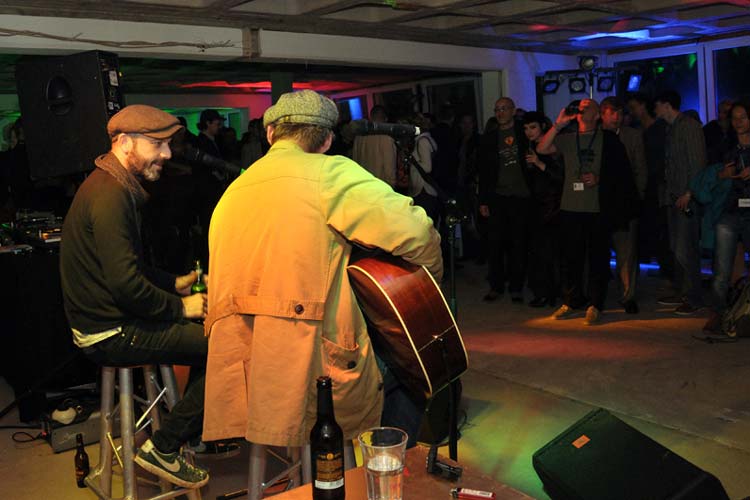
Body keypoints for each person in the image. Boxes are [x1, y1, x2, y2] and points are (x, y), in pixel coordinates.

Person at [203, 90, 442, 448]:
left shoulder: (234, 188)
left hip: (251, 371)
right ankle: (383, 473)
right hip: (313, 370)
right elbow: (418, 231)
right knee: (418, 369)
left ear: (271, 135)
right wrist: (425, 287)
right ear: (328, 139)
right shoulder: (329, 173)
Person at [59, 104, 209, 489]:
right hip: (110, 333)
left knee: (211, 339)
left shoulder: (110, 184)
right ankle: (166, 445)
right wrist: (181, 307)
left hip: (105, 322)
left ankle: (187, 431)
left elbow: (131, 267)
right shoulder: (111, 196)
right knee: (226, 344)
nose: (168, 154)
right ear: (125, 143)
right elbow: (126, 287)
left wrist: (173, 282)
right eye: (158, 144)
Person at [537, 99, 639, 325]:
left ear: (597, 115)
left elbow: (623, 174)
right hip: (570, 207)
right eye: (579, 107)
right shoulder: (567, 138)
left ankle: (595, 304)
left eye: (587, 107)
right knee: (571, 258)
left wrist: (600, 179)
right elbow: (542, 149)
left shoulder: (609, 140)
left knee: (597, 259)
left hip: (597, 209)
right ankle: (572, 300)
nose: (581, 109)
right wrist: (558, 124)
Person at [654, 90, 707, 315]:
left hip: (685, 198)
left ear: (666, 105)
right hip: (674, 197)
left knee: (686, 248)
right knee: (678, 248)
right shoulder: (672, 127)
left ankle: (693, 297)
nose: (654, 109)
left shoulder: (689, 126)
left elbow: (698, 162)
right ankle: (684, 292)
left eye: (656, 105)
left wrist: (689, 192)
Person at [477, 97, 533, 303]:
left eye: (503, 109)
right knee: (495, 244)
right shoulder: (489, 138)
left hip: (521, 197)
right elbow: (483, 172)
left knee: (518, 244)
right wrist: (483, 201)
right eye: (497, 109)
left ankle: (516, 287)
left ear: (512, 110)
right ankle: (496, 286)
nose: (500, 113)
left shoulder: (524, 132)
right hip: (497, 197)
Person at [703, 101, 750, 334]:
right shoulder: (726, 146)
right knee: (721, 269)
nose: (739, 122)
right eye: (735, 118)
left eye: (743, 117)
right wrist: (725, 174)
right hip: (730, 212)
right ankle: (717, 314)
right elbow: (711, 177)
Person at [600, 96, 647, 314]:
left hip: (625, 201)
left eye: (620, 113)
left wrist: (636, 198)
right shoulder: (593, 135)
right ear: (603, 114)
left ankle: (628, 295)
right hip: (599, 203)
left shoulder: (632, 136)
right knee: (598, 251)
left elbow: (640, 169)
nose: (617, 118)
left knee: (627, 253)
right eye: (612, 113)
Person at [522, 111, 563, 308]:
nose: (529, 132)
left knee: (549, 252)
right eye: (526, 128)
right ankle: (544, 292)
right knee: (538, 252)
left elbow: (560, 176)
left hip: (552, 206)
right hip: (535, 205)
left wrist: (538, 164)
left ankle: (551, 293)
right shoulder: (529, 147)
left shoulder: (551, 147)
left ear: (542, 127)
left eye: (533, 127)